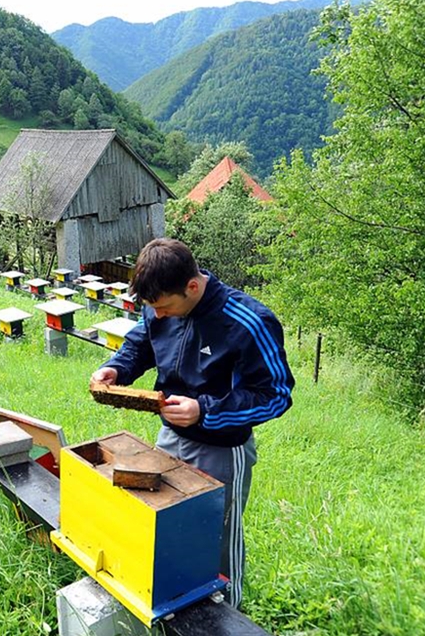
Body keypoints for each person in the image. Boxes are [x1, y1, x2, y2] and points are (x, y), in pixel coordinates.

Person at [90, 238, 294, 608]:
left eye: (166, 307)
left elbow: (276, 395)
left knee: (217, 539)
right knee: (165, 524)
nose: (160, 315)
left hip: (221, 450)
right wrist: (116, 368)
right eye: (153, 309)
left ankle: (229, 615)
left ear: (193, 286)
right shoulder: (159, 305)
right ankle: (175, 604)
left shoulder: (249, 321)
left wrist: (205, 410)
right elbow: (142, 345)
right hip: (168, 437)